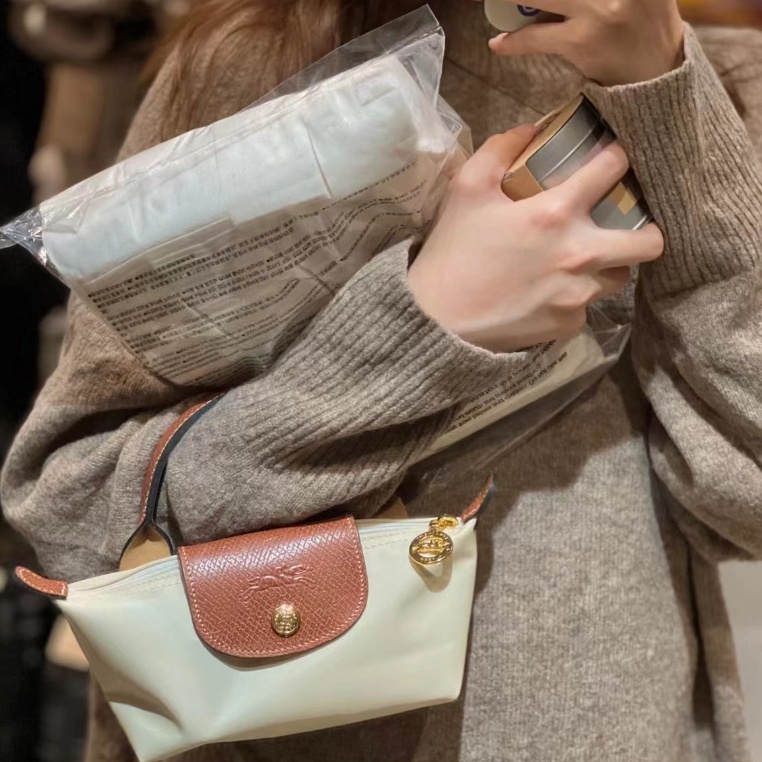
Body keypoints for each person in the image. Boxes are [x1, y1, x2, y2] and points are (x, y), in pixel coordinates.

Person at [3, 0, 762, 760]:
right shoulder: (258, 59)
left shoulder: (726, 83)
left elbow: (747, 500)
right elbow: (77, 522)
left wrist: (661, 88)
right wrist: (423, 327)